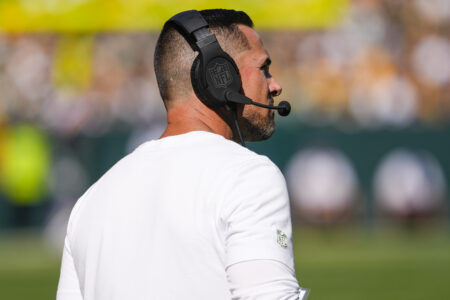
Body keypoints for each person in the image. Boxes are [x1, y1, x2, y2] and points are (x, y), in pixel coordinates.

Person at [57, 9, 308, 300]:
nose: (275, 85)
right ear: (220, 77)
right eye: (264, 68)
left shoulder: (90, 202)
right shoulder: (248, 176)